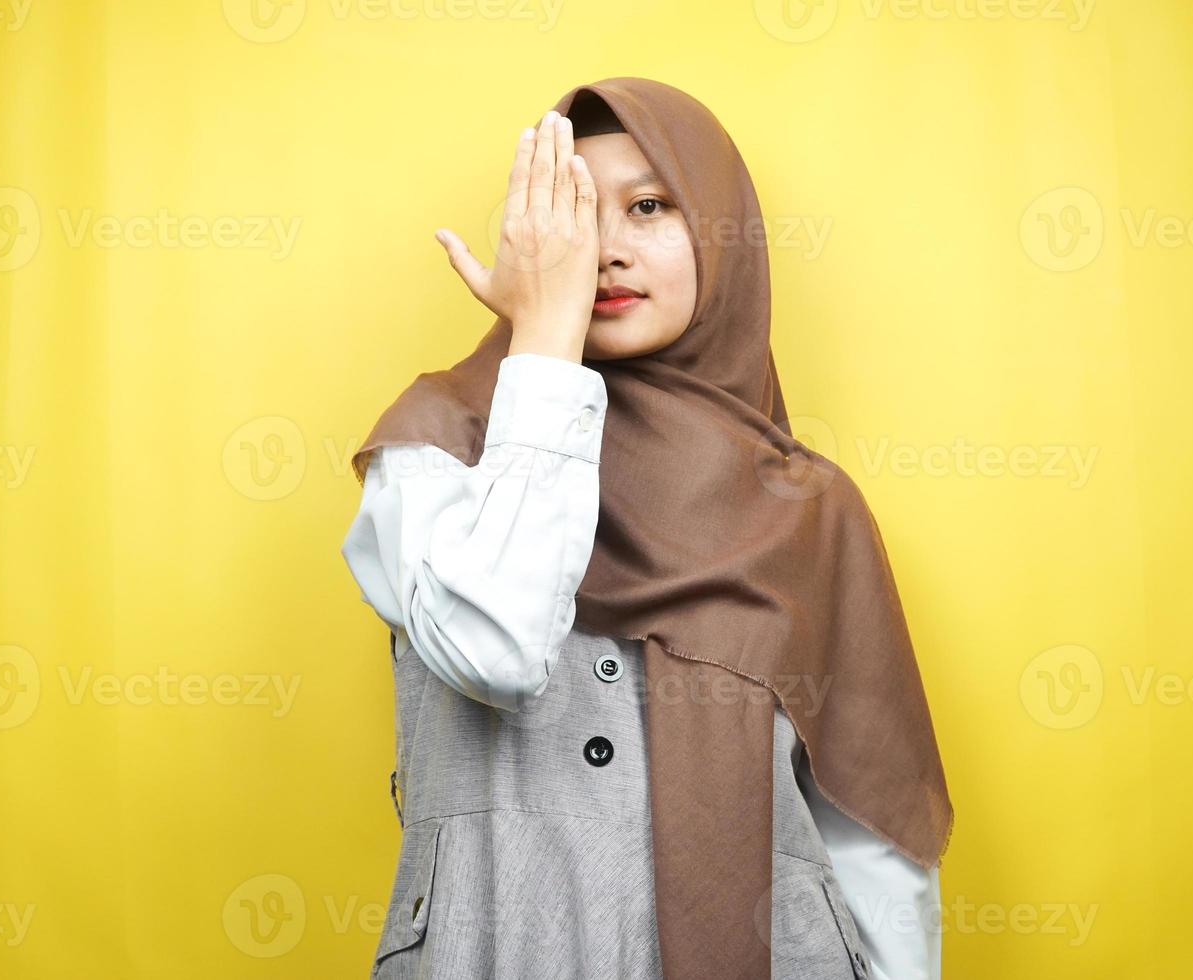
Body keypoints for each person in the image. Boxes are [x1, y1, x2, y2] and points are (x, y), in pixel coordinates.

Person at [341, 77, 952, 980]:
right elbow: (495, 648)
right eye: (576, 214)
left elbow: (873, 841)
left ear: (721, 233)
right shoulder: (433, 444)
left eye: (651, 206)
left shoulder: (808, 508)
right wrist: (543, 336)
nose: (608, 252)